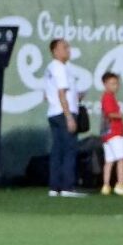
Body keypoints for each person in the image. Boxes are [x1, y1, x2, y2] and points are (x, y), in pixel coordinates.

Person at [44, 39, 87, 197]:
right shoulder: (60, 68)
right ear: (55, 51)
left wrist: (76, 97)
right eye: (64, 47)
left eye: (68, 47)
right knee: (69, 150)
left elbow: (47, 95)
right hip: (63, 113)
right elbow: (61, 93)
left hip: (54, 112)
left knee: (57, 151)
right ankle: (67, 187)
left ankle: (55, 187)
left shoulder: (50, 68)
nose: (68, 50)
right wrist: (69, 116)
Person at [99, 72, 123, 197]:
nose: (115, 86)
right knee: (121, 158)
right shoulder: (108, 97)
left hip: (107, 134)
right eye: (112, 84)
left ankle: (106, 185)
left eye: (116, 84)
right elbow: (111, 114)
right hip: (114, 132)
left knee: (109, 160)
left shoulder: (108, 97)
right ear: (105, 84)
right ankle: (120, 184)